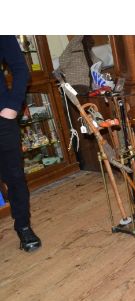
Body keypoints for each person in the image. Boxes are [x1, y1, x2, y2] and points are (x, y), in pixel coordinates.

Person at [0, 35, 41, 252]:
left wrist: (12, 106)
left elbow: (21, 69)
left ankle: (23, 227)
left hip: (2, 119)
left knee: (14, 177)